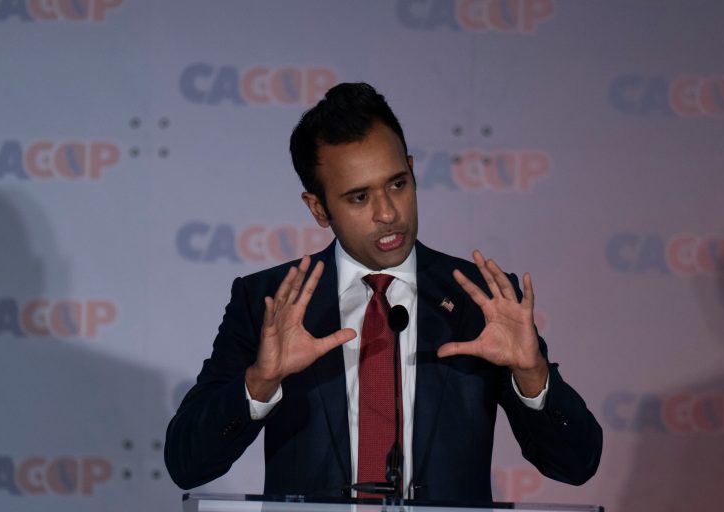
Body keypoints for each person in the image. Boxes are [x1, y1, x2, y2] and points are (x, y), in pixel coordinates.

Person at [164, 82, 602, 503]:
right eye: (358, 198)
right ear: (319, 208)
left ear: (412, 170)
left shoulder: (483, 299)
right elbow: (187, 464)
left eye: (398, 184)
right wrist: (259, 384)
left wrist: (531, 374)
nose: (388, 213)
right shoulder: (269, 302)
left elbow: (576, 464)